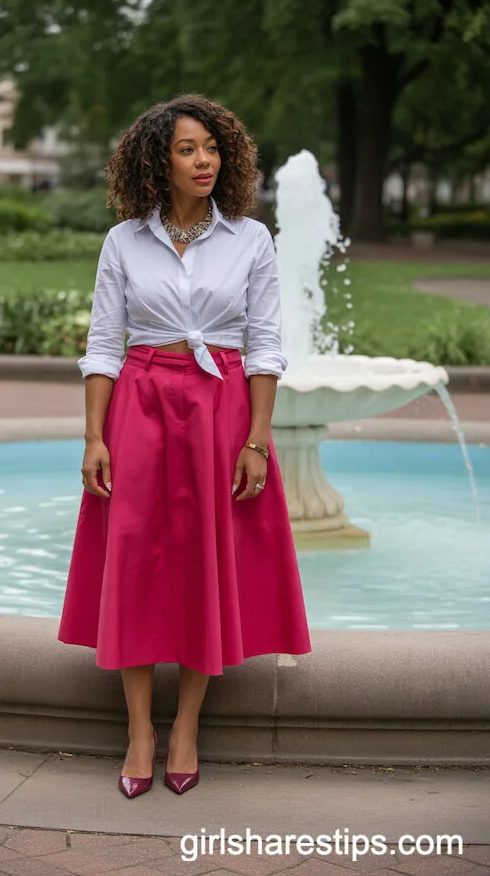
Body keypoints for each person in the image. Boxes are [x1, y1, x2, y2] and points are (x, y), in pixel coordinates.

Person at [58, 93, 311, 798]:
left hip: (221, 410)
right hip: (139, 404)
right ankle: (139, 729)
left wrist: (257, 440)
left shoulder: (251, 241)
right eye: (187, 150)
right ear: (157, 162)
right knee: (134, 559)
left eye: (211, 149)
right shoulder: (124, 242)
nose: (204, 161)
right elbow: (104, 345)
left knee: (207, 560)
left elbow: (265, 348)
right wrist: (93, 437)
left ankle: (188, 727)